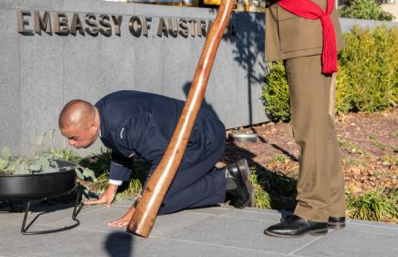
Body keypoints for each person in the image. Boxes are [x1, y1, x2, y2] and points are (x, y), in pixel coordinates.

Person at [225, 0, 346, 237]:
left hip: (307, 32)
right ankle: (333, 207)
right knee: (319, 127)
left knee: (308, 128)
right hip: (294, 33)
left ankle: (311, 212)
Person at [58, 90, 255, 227]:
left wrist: (140, 204)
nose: (71, 144)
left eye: (74, 138)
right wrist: (111, 189)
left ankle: (227, 181)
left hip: (202, 140)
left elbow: (161, 158)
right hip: (185, 141)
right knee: (155, 197)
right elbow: (121, 146)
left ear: (92, 126)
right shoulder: (102, 112)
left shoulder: (124, 123)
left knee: (156, 203)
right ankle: (210, 176)